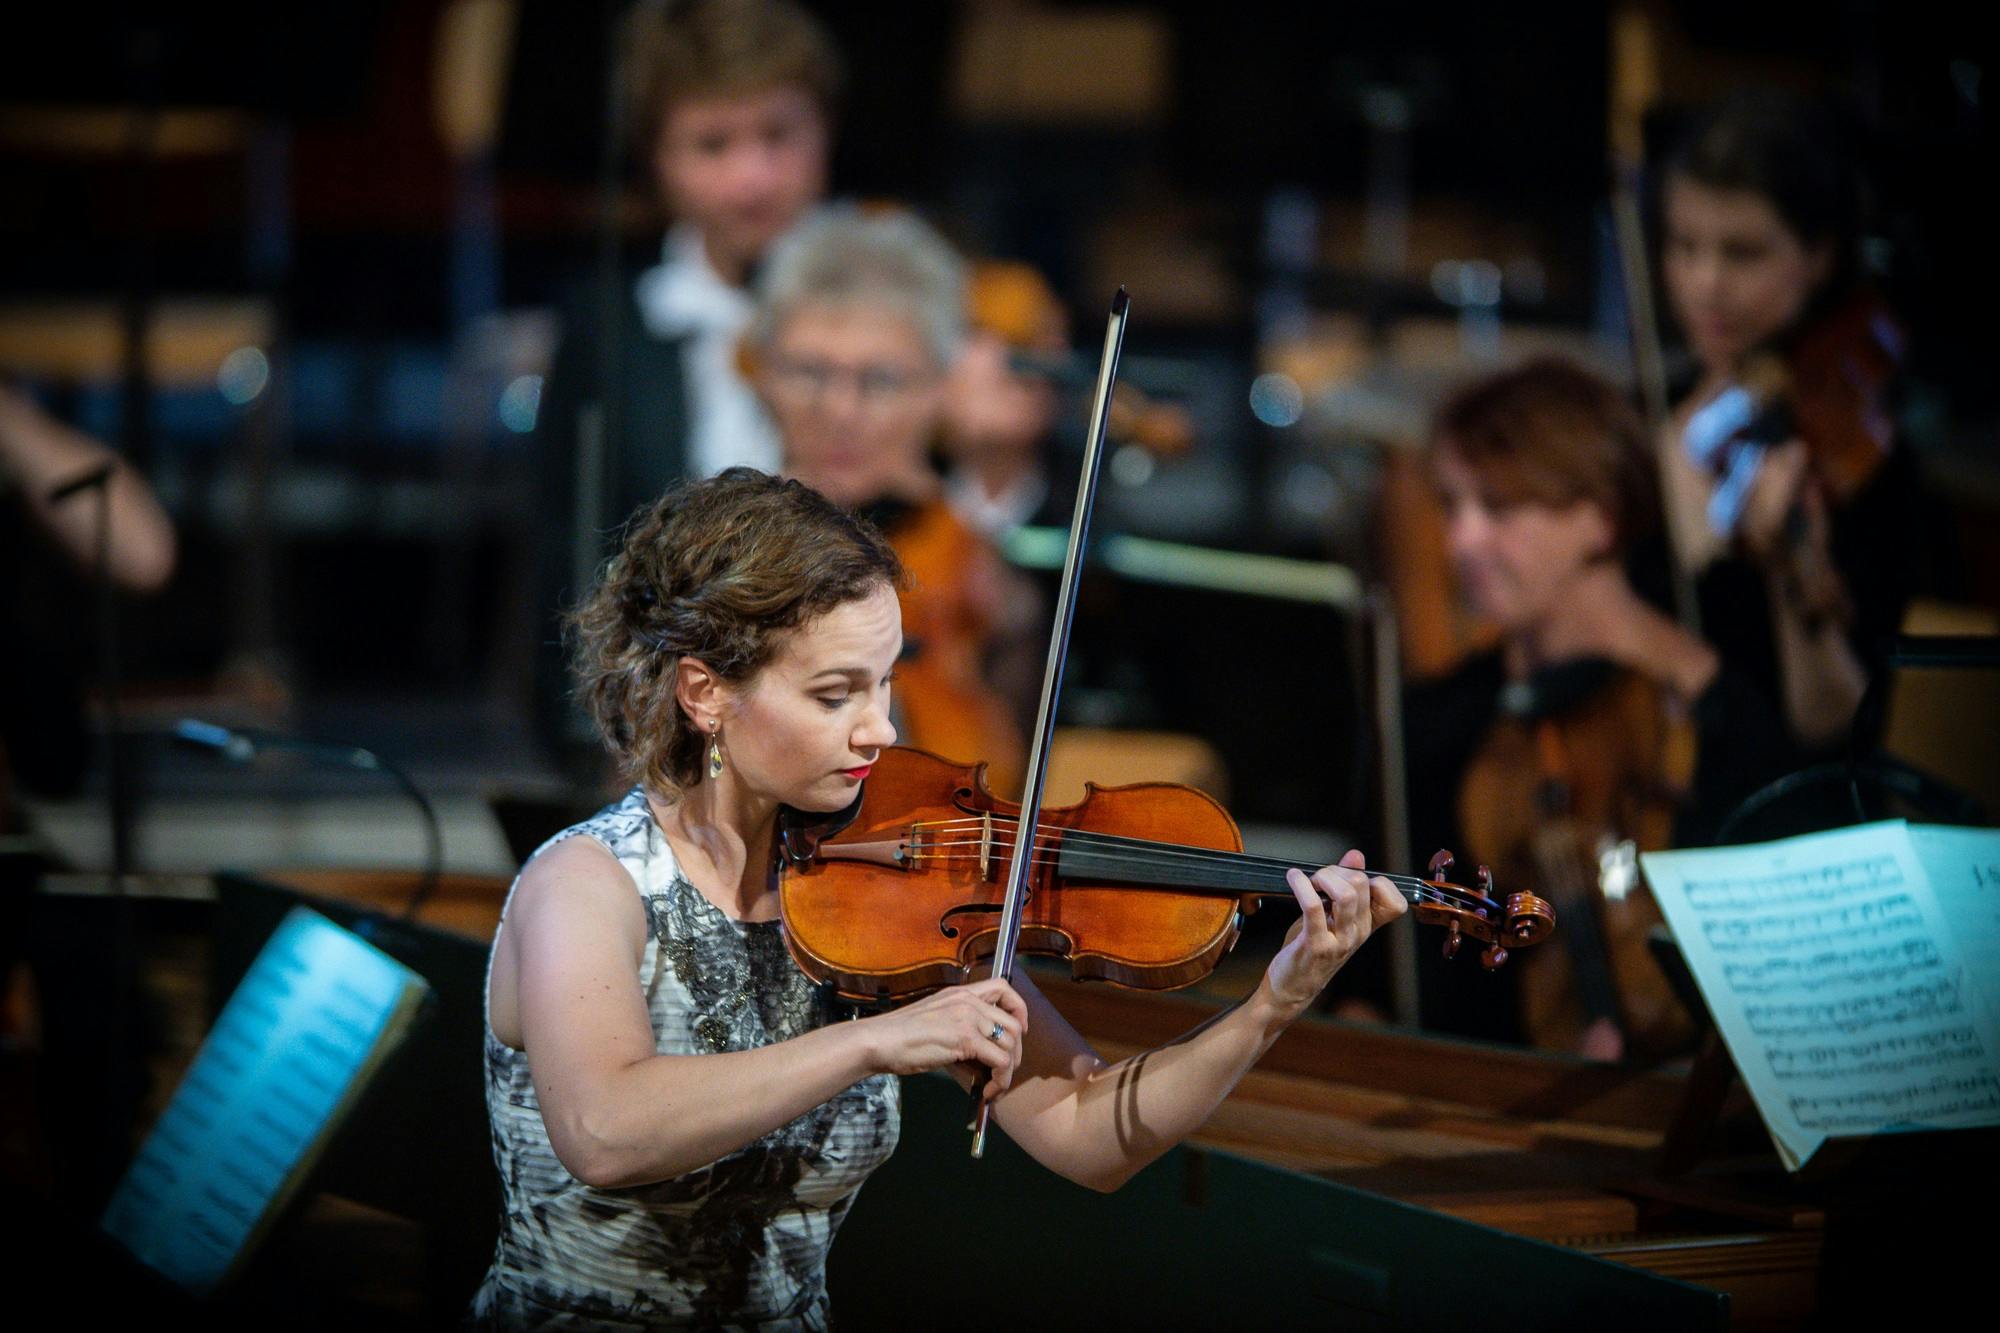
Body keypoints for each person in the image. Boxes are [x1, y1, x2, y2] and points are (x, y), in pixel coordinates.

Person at [471, 468, 1405, 1329]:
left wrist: (1272, 1003)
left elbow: (1092, 1136)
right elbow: (603, 1130)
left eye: (885, 681)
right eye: (837, 694)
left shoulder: (883, 899)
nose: (880, 727)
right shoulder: (586, 882)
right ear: (706, 693)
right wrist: (873, 1040)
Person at [1403, 359, 1791, 1060]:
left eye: (1497, 508)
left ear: (1600, 519)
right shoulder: (1444, 716)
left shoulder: (1724, 725)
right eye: (1453, 506)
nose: (1461, 540)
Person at [532, 0, 840, 771]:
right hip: (678, 743)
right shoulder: (613, 327)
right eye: (712, 144)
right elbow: (569, 552)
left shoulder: (892, 306)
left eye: (779, 135)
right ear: (655, 159)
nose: (753, 177)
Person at [1656, 87, 1927, 751]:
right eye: (1683, 246)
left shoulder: (1865, 469)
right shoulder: (1656, 407)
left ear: (1820, 256)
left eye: (1742, 252)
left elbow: (1837, 730)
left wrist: (1793, 582)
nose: (1703, 283)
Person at [749, 207, 1039, 790]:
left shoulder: (973, 559)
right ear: (762, 374)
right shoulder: (722, 556)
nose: (840, 410)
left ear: (938, 386)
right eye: (808, 372)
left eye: (879, 380)